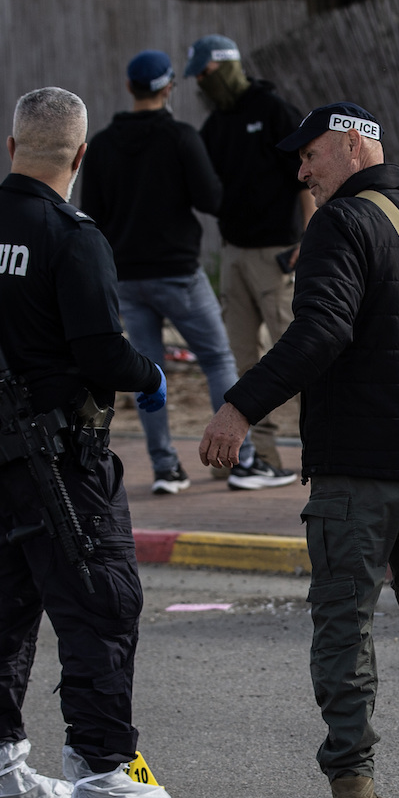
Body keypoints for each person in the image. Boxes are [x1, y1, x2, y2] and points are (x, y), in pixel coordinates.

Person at [197, 103, 399, 798]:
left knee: (344, 623)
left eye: (311, 156)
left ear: (356, 147)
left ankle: (353, 786)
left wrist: (240, 406)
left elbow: (321, 330)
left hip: (359, 466)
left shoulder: (338, 225)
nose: (301, 171)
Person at [0, 85, 179, 798]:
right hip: (61, 460)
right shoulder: (73, 236)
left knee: (3, 608)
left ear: (10, 148)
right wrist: (152, 373)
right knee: (100, 606)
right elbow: (100, 352)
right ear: (80, 154)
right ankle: (104, 775)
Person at [83, 48, 266, 495]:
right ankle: (241, 462)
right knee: (218, 359)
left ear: (130, 87)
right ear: (169, 88)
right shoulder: (181, 136)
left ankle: (166, 469)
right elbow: (211, 200)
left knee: (150, 373)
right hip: (179, 273)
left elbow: (92, 214)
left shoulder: (103, 144)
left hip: (126, 276)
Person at [188, 33, 307, 490]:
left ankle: (331, 452)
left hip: (276, 251)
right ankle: (259, 459)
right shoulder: (215, 125)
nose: (201, 82)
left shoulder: (272, 109)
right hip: (233, 252)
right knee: (242, 359)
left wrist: (309, 234)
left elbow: (303, 174)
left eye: (205, 73)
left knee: (292, 355)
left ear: (226, 65)